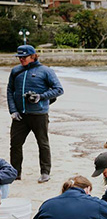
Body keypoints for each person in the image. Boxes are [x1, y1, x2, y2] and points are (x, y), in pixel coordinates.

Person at [6, 44, 64, 183]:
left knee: (42, 143)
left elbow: (59, 89)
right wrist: (13, 111)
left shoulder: (46, 71)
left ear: (33, 56)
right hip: (20, 115)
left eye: (24, 57)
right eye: (19, 57)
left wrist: (40, 96)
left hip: (39, 114)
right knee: (15, 144)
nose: (21, 59)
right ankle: (15, 173)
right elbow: (9, 91)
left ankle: (45, 173)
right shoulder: (15, 71)